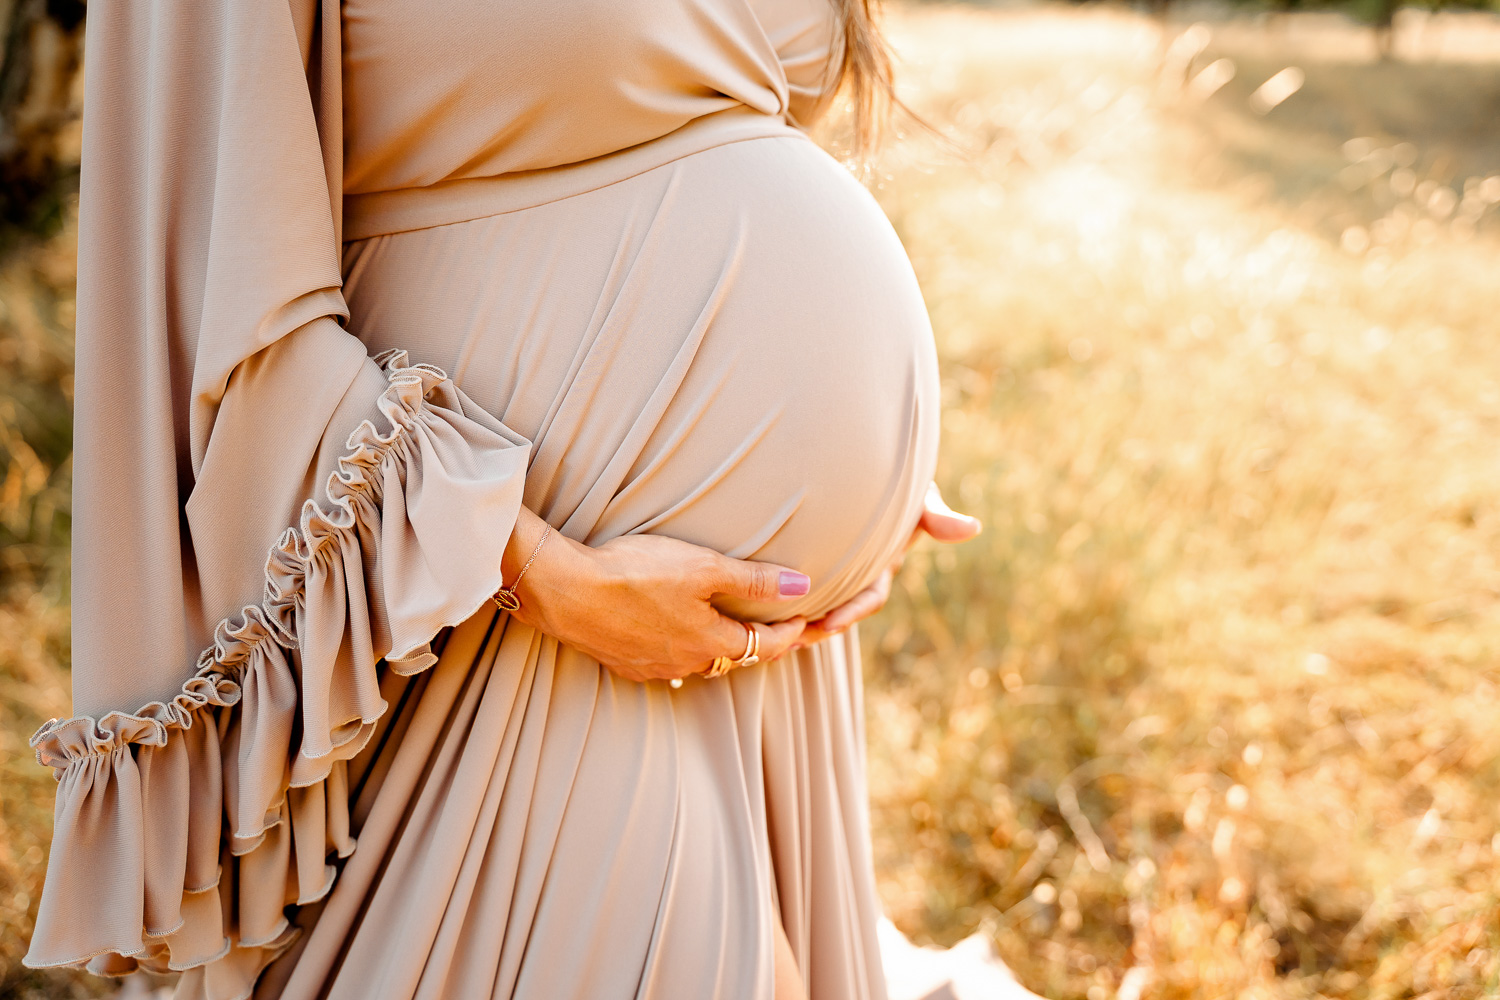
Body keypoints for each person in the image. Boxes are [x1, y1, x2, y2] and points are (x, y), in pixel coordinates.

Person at [22, 0, 980, 997]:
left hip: (742, 643)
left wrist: (857, 442)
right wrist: (541, 574)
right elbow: (214, 282)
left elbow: (712, 130)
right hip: (511, 607)